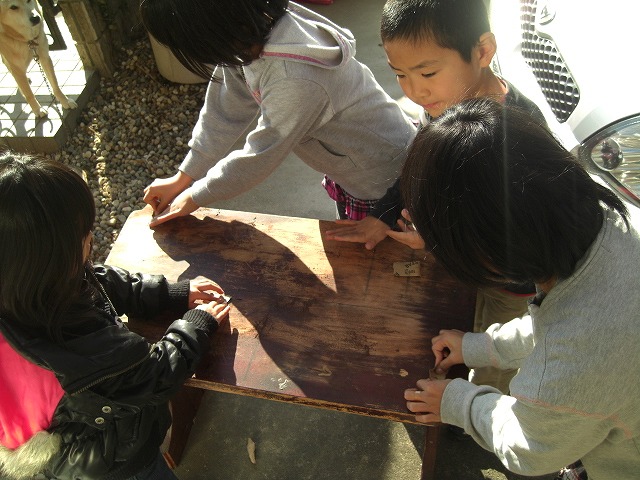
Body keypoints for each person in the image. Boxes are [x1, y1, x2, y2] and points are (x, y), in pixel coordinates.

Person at [401, 97, 640, 479]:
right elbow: (563, 321)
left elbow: (529, 450)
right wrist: (482, 346)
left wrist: (459, 401)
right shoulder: (600, 219)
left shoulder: (573, 363)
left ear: (487, 252)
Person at [327, 0, 547, 394]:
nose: (415, 90)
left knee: (491, 352)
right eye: (400, 74)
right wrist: (384, 214)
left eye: (427, 72)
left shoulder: (515, 137)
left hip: (509, 280)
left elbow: (517, 236)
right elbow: (421, 164)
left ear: (482, 51)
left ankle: (478, 405)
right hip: (465, 263)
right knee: (457, 324)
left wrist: (437, 242)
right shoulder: (446, 101)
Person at [0, 153, 230, 480]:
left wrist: (171, 292)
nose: (91, 240)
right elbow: (154, 376)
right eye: (84, 236)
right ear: (52, 259)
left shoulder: (25, 282)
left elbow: (99, 281)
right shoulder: (80, 345)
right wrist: (196, 325)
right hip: (111, 460)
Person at [140, 0, 416, 227]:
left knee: (382, 259)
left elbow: (261, 154)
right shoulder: (251, 32)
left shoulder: (294, 78)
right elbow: (225, 108)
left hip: (382, 178)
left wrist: (196, 196)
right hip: (353, 167)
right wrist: (184, 176)